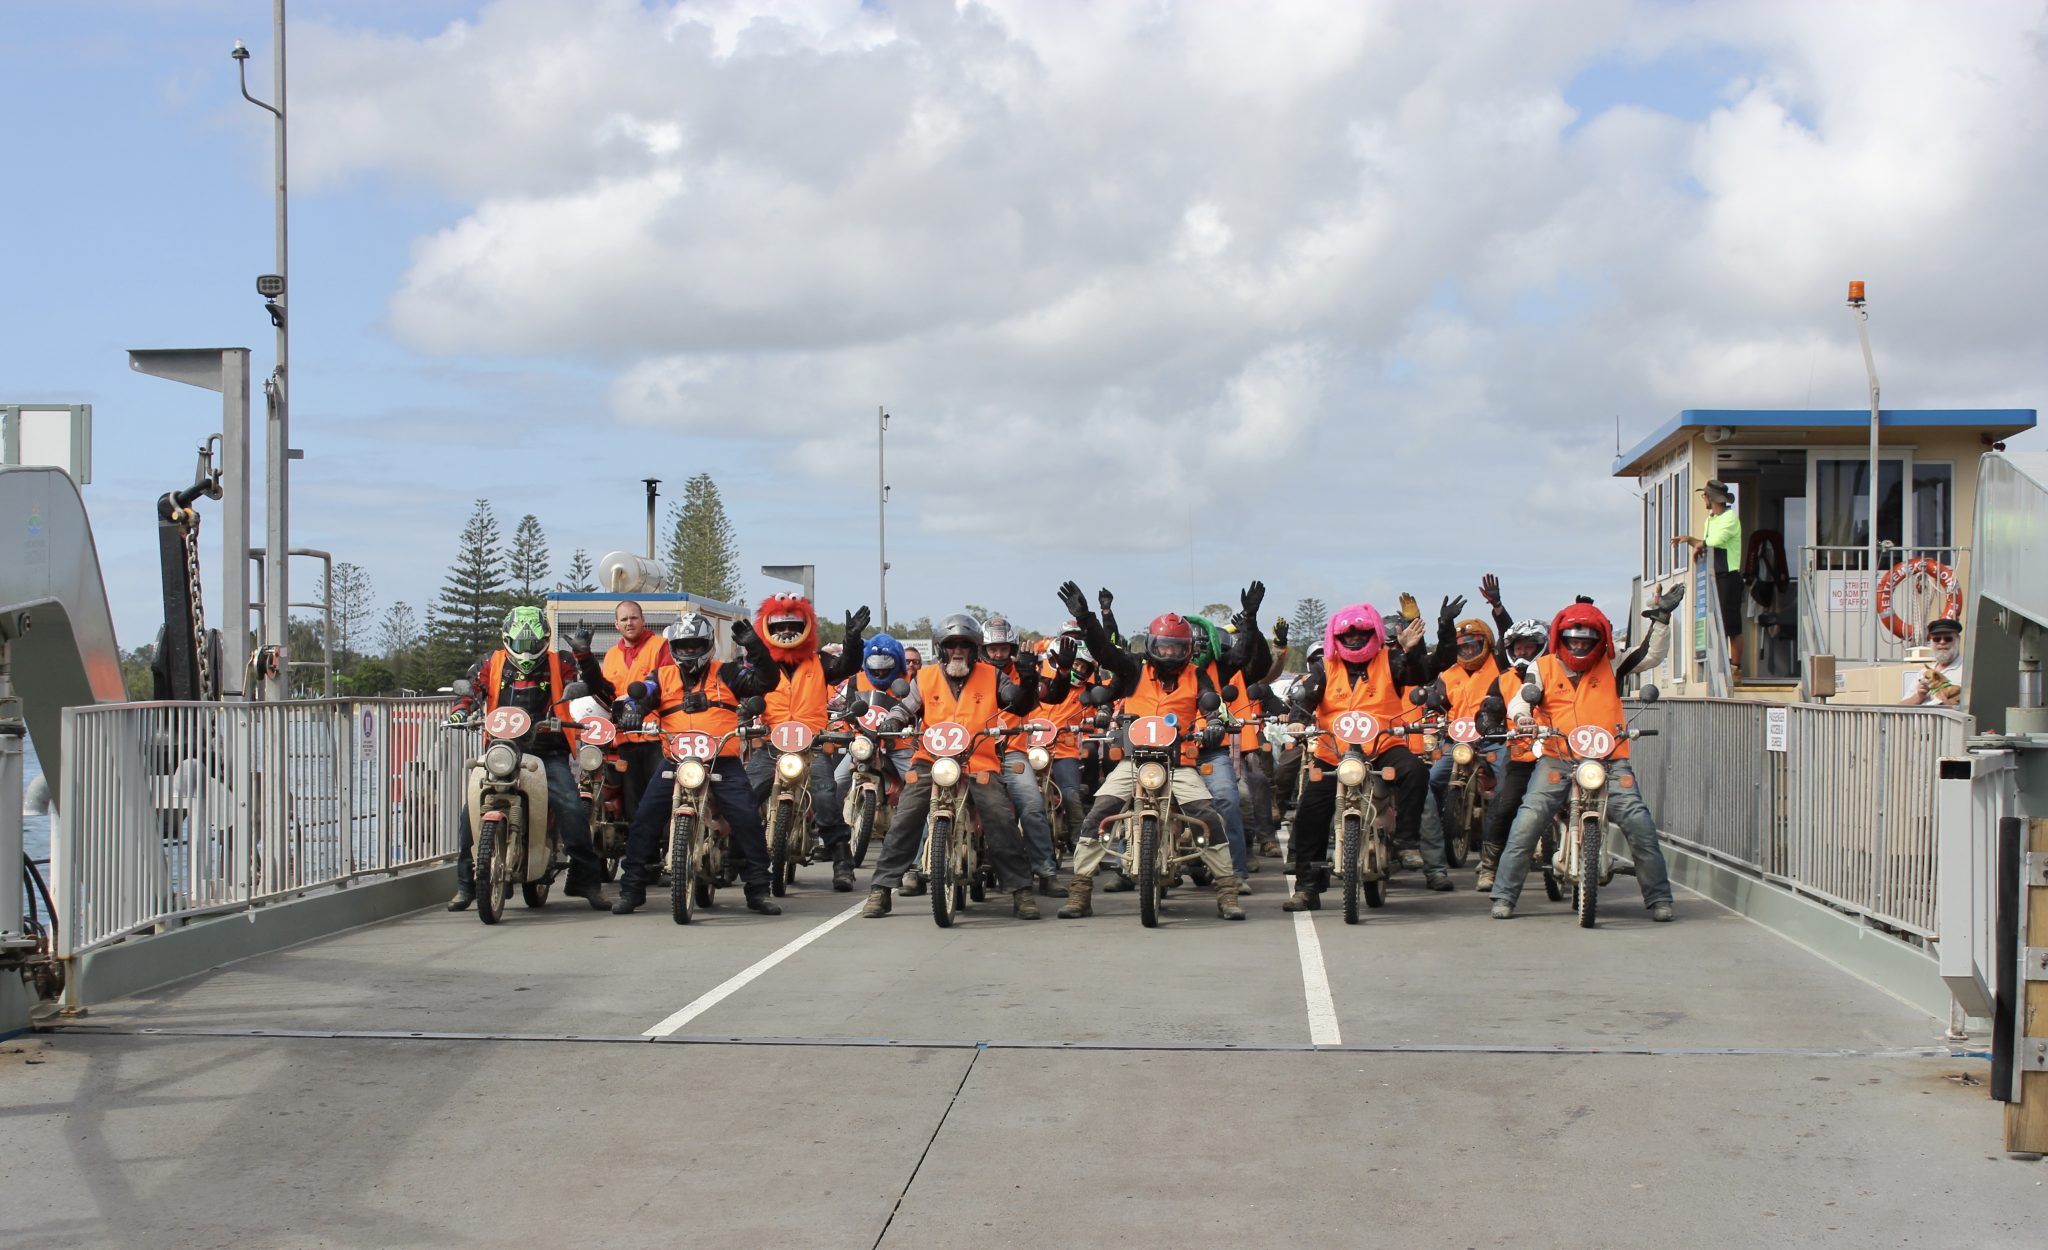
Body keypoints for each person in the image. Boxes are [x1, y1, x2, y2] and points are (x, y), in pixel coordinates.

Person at [1053, 582, 1243, 921]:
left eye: (1176, 648)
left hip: (1179, 763)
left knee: (1208, 816)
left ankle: (1227, 891)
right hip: (1134, 760)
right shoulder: (1134, 668)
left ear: (1187, 649)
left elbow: (1210, 706)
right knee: (1098, 814)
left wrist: (1214, 723)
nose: (1169, 653)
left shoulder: (1197, 675)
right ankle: (1080, 890)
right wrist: (1086, 618)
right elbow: (1104, 652)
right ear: (1152, 646)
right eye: (1164, 647)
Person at [1489, 595, 1678, 921]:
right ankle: (1504, 895)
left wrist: (1661, 620)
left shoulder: (1613, 662)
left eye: (1586, 640)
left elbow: (1650, 654)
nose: (1578, 645)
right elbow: (1522, 699)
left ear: (1598, 640)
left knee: (1639, 823)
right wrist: (1523, 718)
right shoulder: (1542, 666)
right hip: (1558, 757)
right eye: (1572, 640)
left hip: (1610, 759)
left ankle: (1659, 897)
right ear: (1561, 639)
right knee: (1527, 822)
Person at [861, 613, 1045, 920]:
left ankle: (1021, 891)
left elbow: (1018, 702)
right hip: (930, 761)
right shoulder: (925, 677)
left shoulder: (993, 676)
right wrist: (892, 720)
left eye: (965, 645)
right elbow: (904, 708)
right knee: (905, 817)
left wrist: (1027, 681)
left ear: (975, 649)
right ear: (941, 649)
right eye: (951, 645)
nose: (958, 650)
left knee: (1000, 817)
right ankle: (881, 890)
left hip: (978, 762)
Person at [608, 615, 782, 915]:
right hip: (676, 760)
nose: (689, 651)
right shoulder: (661, 676)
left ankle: (758, 890)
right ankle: (631, 889)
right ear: (673, 648)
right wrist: (632, 711)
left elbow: (767, 681)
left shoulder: (727, 672)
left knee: (746, 816)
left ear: (708, 645)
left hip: (721, 759)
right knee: (645, 818)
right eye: (683, 646)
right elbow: (642, 695)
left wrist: (755, 647)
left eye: (695, 645)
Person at [445, 606, 614, 911]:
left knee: (572, 808)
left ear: (545, 640)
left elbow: (594, 685)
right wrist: (460, 711)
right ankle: (466, 885)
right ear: (507, 639)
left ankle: (586, 880)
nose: (526, 650)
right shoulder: (491, 661)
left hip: (548, 750)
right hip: (502, 750)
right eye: (520, 643)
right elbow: (471, 691)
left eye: (532, 643)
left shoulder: (561, 661)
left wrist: (585, 656)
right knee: (469, 812)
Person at [1281, 603, 1434, 912]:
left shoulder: (1391, 660)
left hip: (1382, 746)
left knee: (1416, 771)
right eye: (1347, 636)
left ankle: (1406, 843)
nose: (1354, 639)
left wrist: (1411, 650)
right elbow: (1307, 698)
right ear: (1336, 638)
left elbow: (1419, 674)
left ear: (1373, 634)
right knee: (1309, 811)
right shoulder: (1324, 667)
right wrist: (1297, 720)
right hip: (1334, 751)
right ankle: (1307, 888)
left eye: (1361, 634)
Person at [743, 594, 869, 891]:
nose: (787, 631)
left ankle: (842, 863)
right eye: (780, 626)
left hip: (813, 745)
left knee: (825, 798)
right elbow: (741, 693)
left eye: (793, 626)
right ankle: (734, 859)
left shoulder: (820, 661)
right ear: (769, 630)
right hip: (770, 745)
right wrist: (742, 715)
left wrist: (852, 641)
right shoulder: (761, 666)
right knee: (744, 798)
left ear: (806, 628)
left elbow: (847, 666)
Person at [980, 615, 1062, 895]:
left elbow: (1051, 694)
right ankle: (921, 868)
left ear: (1012, 648)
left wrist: (1032, 677)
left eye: (1003, 648)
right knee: (939, 798)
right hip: (976, 754)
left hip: (1012, 754)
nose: (998, 654)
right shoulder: (973, 674)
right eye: (992, 649)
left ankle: (1046, 871)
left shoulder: (1024, 669)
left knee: (1032, 805)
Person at [1471, 618, 1552, 891]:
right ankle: (1489, 866)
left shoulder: (1555, 673)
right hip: (1521, 754)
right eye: (1518, 648)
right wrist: (1489, 725)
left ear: (1540, 648)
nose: (1523, 653)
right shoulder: (1503, 679)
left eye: (1529, 648)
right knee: (1504, 805)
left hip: (1557, 752)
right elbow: (1487, 710)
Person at [598, 600, 672, 827]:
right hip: (624, 739)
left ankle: (663, 845)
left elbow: (667, 686)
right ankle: (634, 844)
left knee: (659, 800)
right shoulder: (611, 655)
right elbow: (606, 695)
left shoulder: (661, 646)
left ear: (643, 620)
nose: (629, 623)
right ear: (616, 625)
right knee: (632, 802)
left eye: (633, 618)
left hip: (656, 739)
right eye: (624, 619)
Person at [1675, 479, 1744, 680]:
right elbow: (1708, 544)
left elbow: (1717, 541)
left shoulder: (1729, 518)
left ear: (1711, 497)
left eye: (1704, 495)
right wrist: (1691, 541)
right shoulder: (1711, 519)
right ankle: (1721, 666)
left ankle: (1735, 668)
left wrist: (1699, 544)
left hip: (1729, 575)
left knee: (1732, 625)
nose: (1703, 498)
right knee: (1717, 623)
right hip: (1715, 576)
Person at [1901, 617, 1966, 706]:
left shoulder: (1968, 671)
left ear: (1958, 639)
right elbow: (1900, 706)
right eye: (1937, 639)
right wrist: (1919, 697)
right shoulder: (1924, 672)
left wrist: (1948, 704)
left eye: (1948, 638)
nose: (1942, 642)